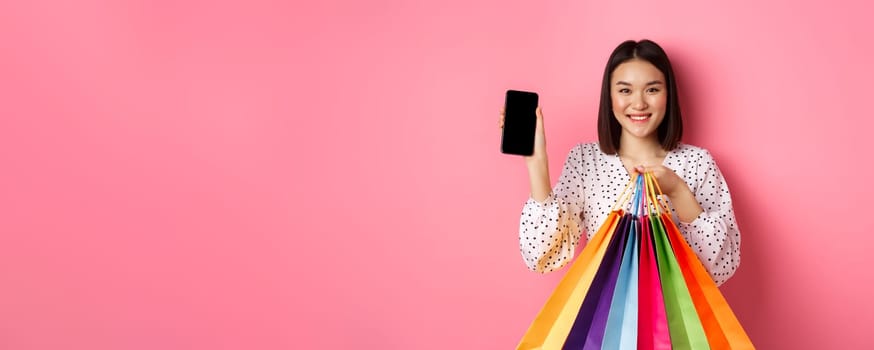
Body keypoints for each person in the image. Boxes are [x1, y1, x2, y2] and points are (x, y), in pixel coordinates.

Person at [499, 39, 740, 286]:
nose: (638, 104)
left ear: (668, 94)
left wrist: (678, 192)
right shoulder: (586, 161)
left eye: (652, 89)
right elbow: (542, 255)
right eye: (625, 90)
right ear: (609, 96)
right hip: (605, 321)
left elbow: (721, 266)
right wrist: (536, 161)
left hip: (676, 322)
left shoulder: (696, 163)